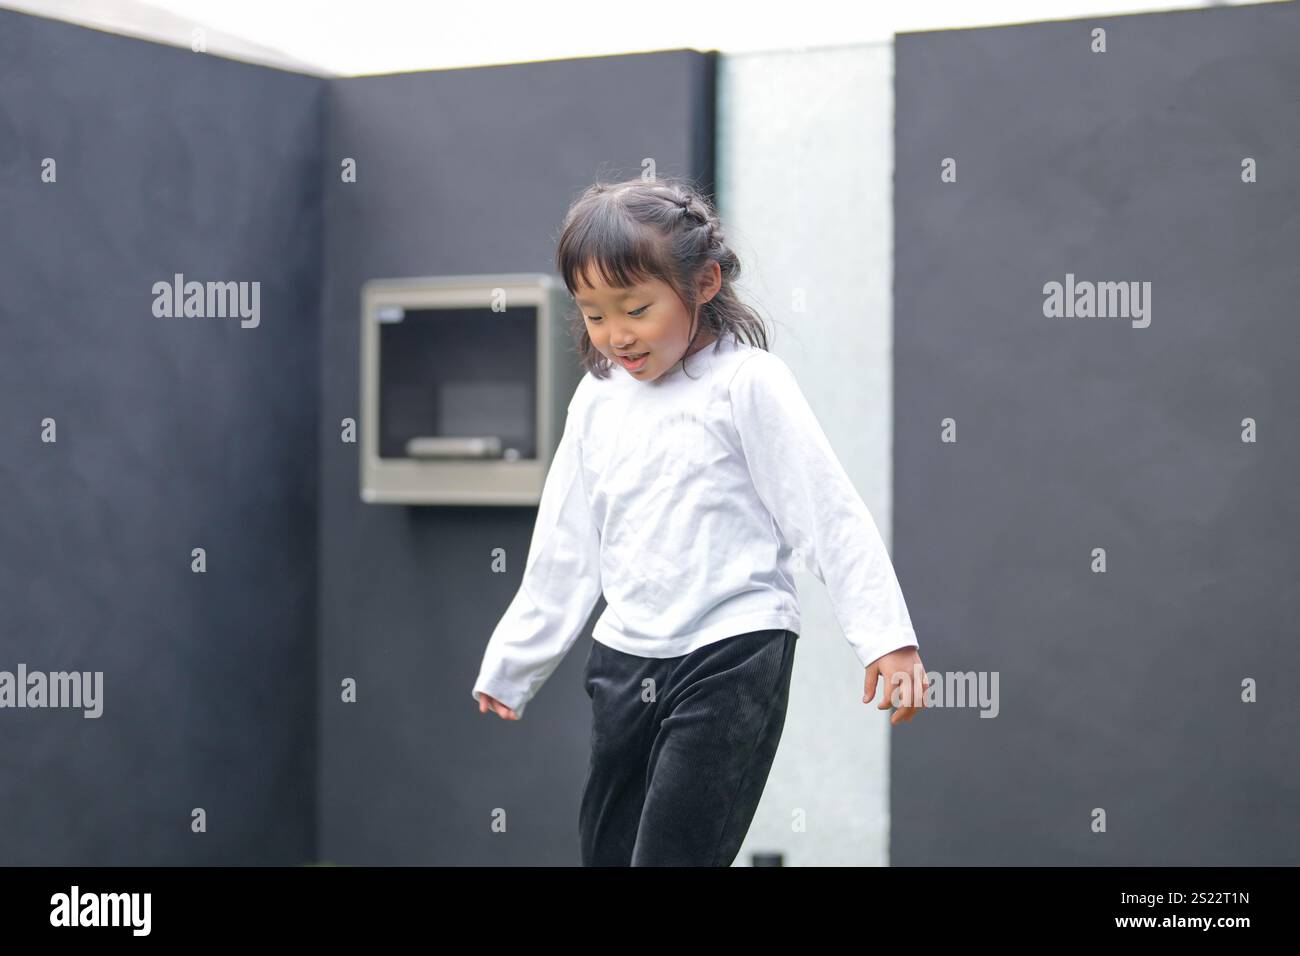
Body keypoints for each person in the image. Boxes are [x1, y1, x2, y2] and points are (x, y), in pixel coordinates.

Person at [471, 176, 928, 866]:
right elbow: (568, 541)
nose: (616, 335)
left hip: (731, 653)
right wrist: (515, 661)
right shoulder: (597, 402)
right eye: (595, 314)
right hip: (624, 659)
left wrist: (886, 639)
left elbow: (826, 512)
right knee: (607, 853)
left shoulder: (747, 383)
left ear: (704, 282)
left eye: (636, 308)